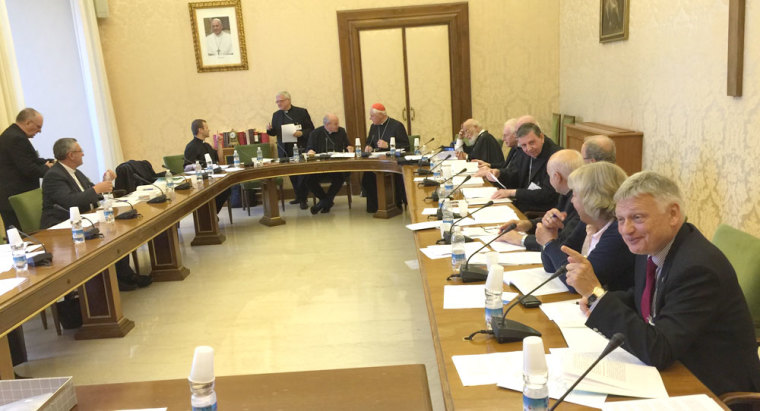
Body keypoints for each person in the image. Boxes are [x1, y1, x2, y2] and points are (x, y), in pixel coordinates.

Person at [564, 171, 760, 396]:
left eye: (637, 218)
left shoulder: (698, 268)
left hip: (712, 387)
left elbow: (660, 350)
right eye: (620, 219)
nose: (626, 230)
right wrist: (598, 300)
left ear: (673, 214)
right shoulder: (651, 245)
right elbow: (644, 297)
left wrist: (597, 293)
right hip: (675, 369)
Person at [40, 138, 151, 291]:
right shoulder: (54, 176)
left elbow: (89, 191)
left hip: (84, 218)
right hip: (60, 226)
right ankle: (113, 281)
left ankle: (124, 275)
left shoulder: (75, 172)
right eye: (80, 151)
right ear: (71, 155)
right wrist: (97, 189)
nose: (83, 154)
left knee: (119, 229)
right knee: (107, 234)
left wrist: (105, 182)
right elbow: (69, 202)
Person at [540, 162, 635, 292]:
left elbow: (577, 283)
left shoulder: (618, 232)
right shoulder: (589, 222)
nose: (572, 201)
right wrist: (551, 235)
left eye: (574, 195)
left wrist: (549, 242)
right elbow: (551, 266)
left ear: (592, 198)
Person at [498, 149, 584, 251]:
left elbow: (564, 242)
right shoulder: (566, 193)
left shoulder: (581, 201)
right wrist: (528, 224)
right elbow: (553, 221)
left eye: (549, 175)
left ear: (557, 177)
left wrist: (521, 239)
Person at [477, 122, 561, 213]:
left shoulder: (556, 156)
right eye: (524, 145)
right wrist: (499, 173)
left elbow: (547, 194)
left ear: (541, 137)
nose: (528, 149)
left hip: (538, 210)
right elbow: (516, 174)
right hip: (522, 202)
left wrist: (512, 192)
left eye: (532, 142)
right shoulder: (524, 152)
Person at [0, 108, 54, 230]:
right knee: (23, 239)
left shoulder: (13, 135)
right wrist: (47, 168)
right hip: (15, 199)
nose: (40, 131)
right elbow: (29, 169)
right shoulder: (16, 138)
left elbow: (30, 160)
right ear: (28, 122)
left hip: (14, 198)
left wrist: (51, 162)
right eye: (38, 126)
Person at [266, 91, 314, 209]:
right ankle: (298, 196)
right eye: (277, 101)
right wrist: (269, 130)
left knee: (301, 174)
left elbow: (311, 129)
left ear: (288, 100)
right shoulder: (276, 115)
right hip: (285, 148)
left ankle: (303, 199)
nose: (278, 104)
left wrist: (301, 133)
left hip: (300, 147)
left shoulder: (301, 112)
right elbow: (275, 133)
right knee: (292, 174)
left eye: (280, 101)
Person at [361, 103, 409, 213]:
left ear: (381, 115)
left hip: (392, 162)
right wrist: (368, 147)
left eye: (372, 116)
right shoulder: (373, 126)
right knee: (367, 178)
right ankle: (375, 205)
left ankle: (393, 205)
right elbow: (370, 141)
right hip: (376, 160)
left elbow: (406, 146)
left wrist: (388, 146)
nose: (370, 118)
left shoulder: (397, 126)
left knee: (389, 177)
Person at [305, 113, 353, 214]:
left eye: (337, 123)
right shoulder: (315, 133)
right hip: (320, 167)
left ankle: (324, 202)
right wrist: (310, 151)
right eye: (335, 124)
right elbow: (309, 148)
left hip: (337, 166)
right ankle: (326, 201)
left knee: (340, 177)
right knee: (308, 179)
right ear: (327, 125)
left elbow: (348, 145)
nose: (337, 126)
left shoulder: (341, 131)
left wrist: (350, 148)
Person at [184, 119, 231, 215]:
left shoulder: (206, 145)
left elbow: (220, 159)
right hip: (201, 181)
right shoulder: (191, 146)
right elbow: (185, 167)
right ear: (200, 130)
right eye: (207, 128)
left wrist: (219, 144)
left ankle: (212, 214)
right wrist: (194, 166)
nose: (209, 130)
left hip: (213, 177)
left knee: (226, 189)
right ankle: (209, 216)